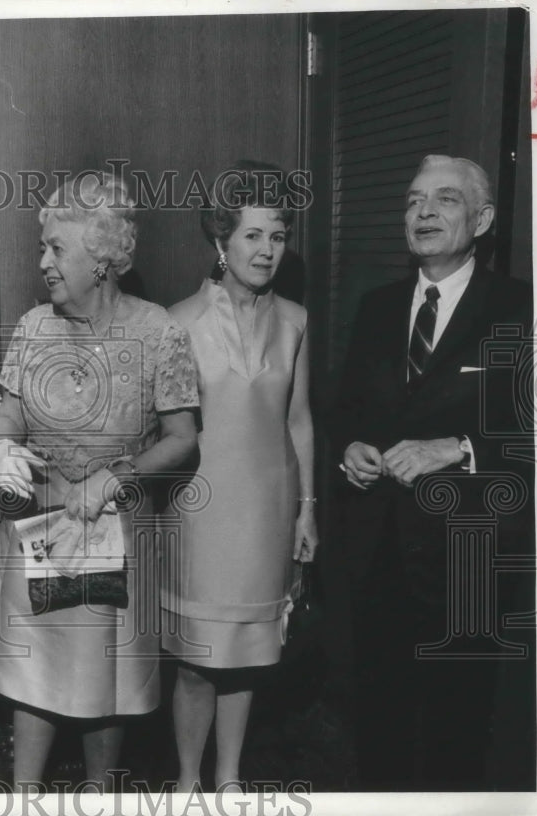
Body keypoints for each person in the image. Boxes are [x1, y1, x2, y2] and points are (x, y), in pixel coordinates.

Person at [0, 173, 200, 790]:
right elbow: (7, 415)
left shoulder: (157, 331)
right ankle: (23, 795)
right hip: (40, 523)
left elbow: (183, 440)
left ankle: (100, 793)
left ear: (101, 261)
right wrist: (3, 450)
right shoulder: (34, 327)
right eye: (42, 247)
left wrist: (116, 473)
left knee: (107, 675)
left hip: (116, 528)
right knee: (33, 670)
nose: (42, 262)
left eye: (55, 249)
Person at [333, 155, 534, 790]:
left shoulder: (522, 308)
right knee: (378, 732)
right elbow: (345, 413)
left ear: (484, 219)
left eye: (445, 200)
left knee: (458, 734)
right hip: (379, 554)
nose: (423, 213)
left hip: (470, 558)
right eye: (414, 201)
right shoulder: (376, 307)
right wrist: (352, 449)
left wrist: (459, 446)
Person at [163, 161, 318, 791]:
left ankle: (228, 781)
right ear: (219, 242)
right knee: (199, 662)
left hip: (267, 512)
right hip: (199, 513)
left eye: (277, 236)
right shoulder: (176, 322)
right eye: (253, 235)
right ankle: (185, 782)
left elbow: (300, 421)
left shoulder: (297, 320)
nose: (267, 250)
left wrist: (307, 509)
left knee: (250, 660)